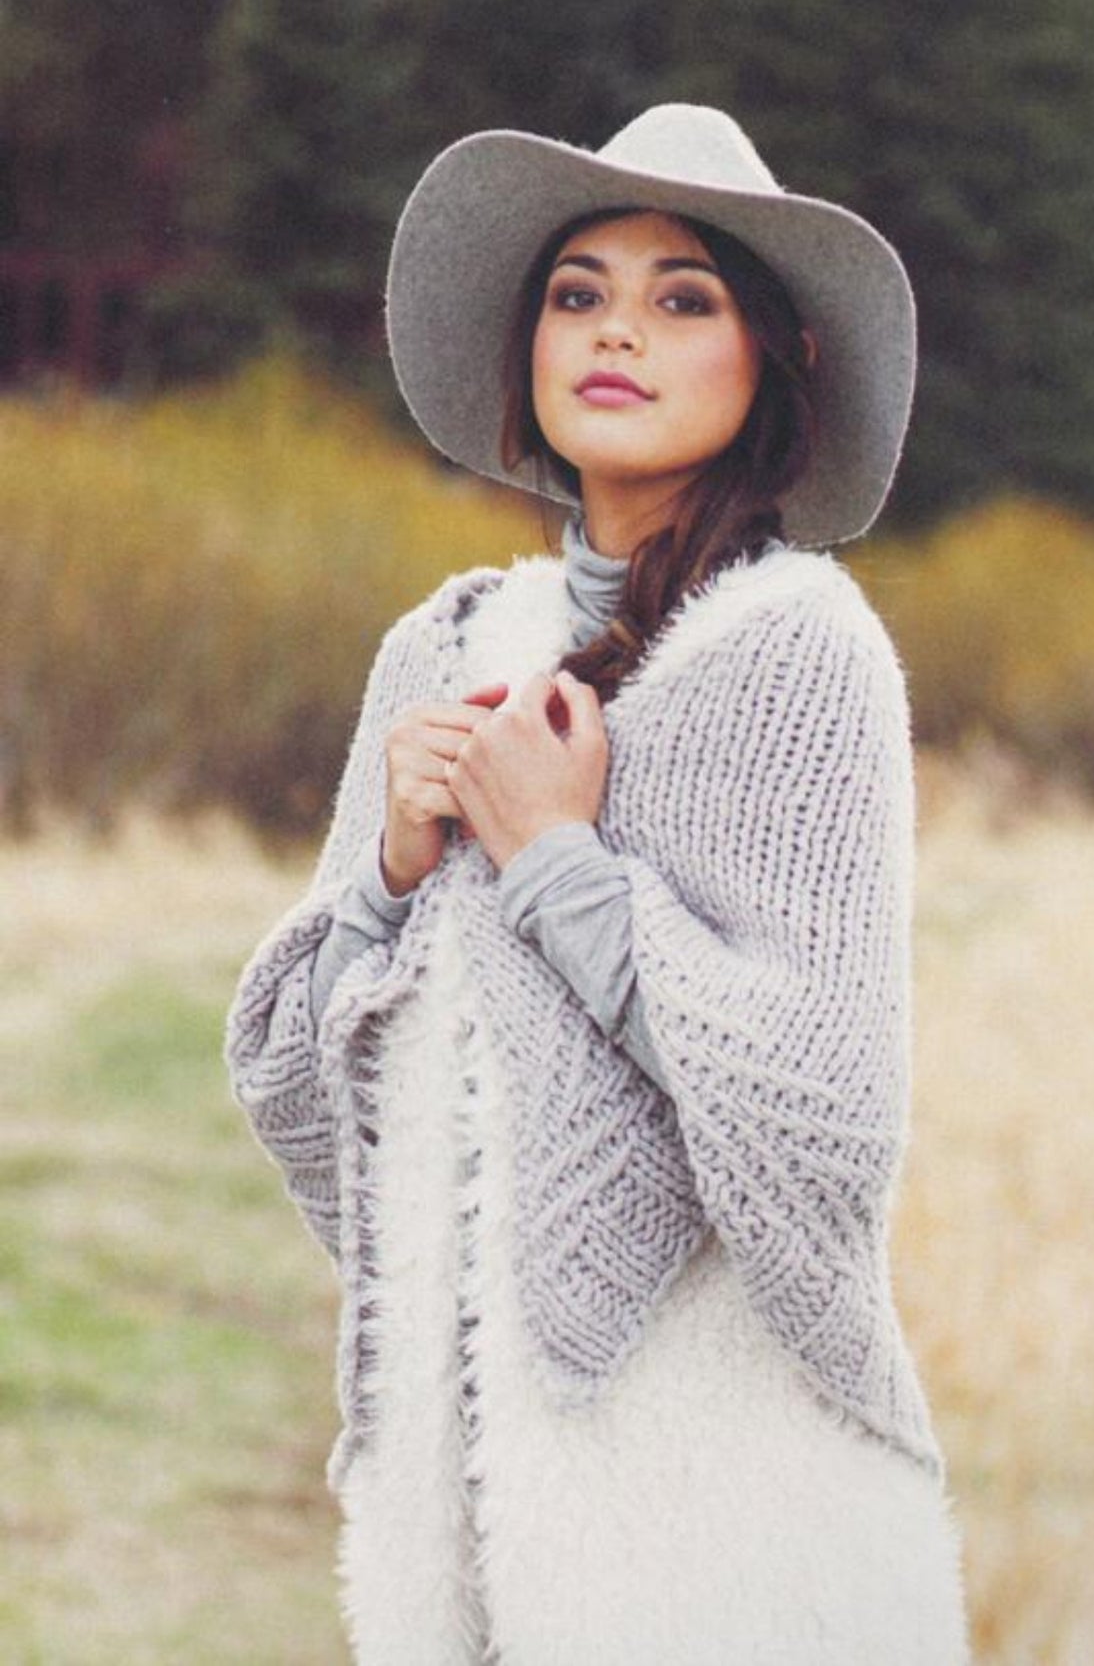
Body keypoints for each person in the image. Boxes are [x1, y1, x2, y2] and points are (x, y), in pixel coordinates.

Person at [223, 103, 970, 1665]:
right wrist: (385, 871)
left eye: (683, 295)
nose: (617, 328)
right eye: (577, 290)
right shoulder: (434, 653)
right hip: (459, 1496)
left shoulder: (796, 658)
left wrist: (558, 860)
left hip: (720, 1510)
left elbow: (822, 1127)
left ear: (778, 360)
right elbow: (302, 1094)